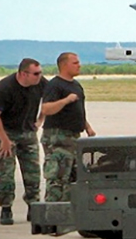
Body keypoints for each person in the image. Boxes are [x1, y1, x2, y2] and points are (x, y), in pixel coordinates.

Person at [0, 58, 48, 225]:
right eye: (36, 73)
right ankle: (6, 207)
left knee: (32, 170)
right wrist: (4, 140)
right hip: (3, 130)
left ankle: (33, 205)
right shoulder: (6, 87)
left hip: (26, 129)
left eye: (40, 73)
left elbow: (49, 100)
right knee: (6, 170)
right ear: (23, 74)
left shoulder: (41, 83)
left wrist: (40, 120)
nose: (39, 76)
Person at [41, 52, 96, 202]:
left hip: (73, 137)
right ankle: (53, 211)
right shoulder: (55, 85)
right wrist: (65, 100)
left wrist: (87, 127)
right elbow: (46, 109)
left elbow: (77, 110)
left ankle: (67, 210)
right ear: (64, 65)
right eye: (75, 63)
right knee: (58, 178)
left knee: (73, 177)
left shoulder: (76, 85)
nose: (79, 65)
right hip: (58, 138)